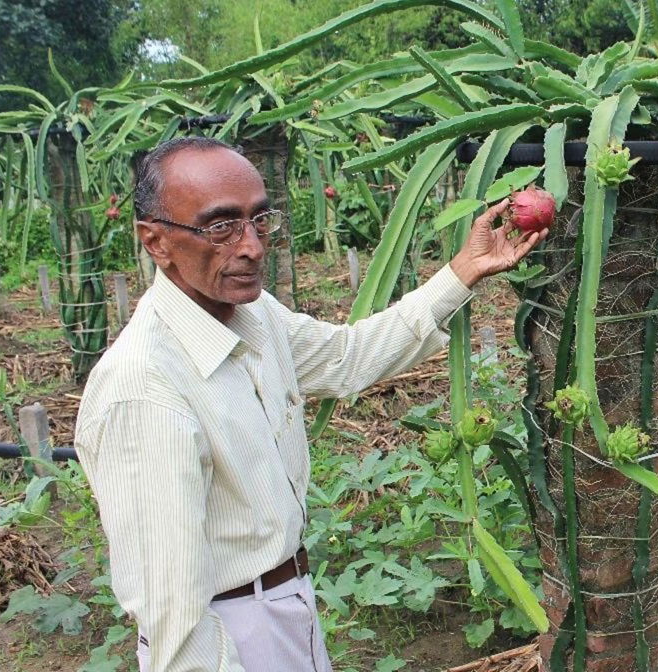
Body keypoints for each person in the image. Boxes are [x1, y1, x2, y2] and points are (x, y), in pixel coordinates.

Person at [74, 136, 545, 672]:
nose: (250, 246)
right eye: (221, 226)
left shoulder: (256, 318)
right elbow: (172, 617)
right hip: (228, 634)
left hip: (284, 601)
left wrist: (464, 270)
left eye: (259, 220)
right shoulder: (144, 391)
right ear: (155, 241)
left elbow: (347, 357)